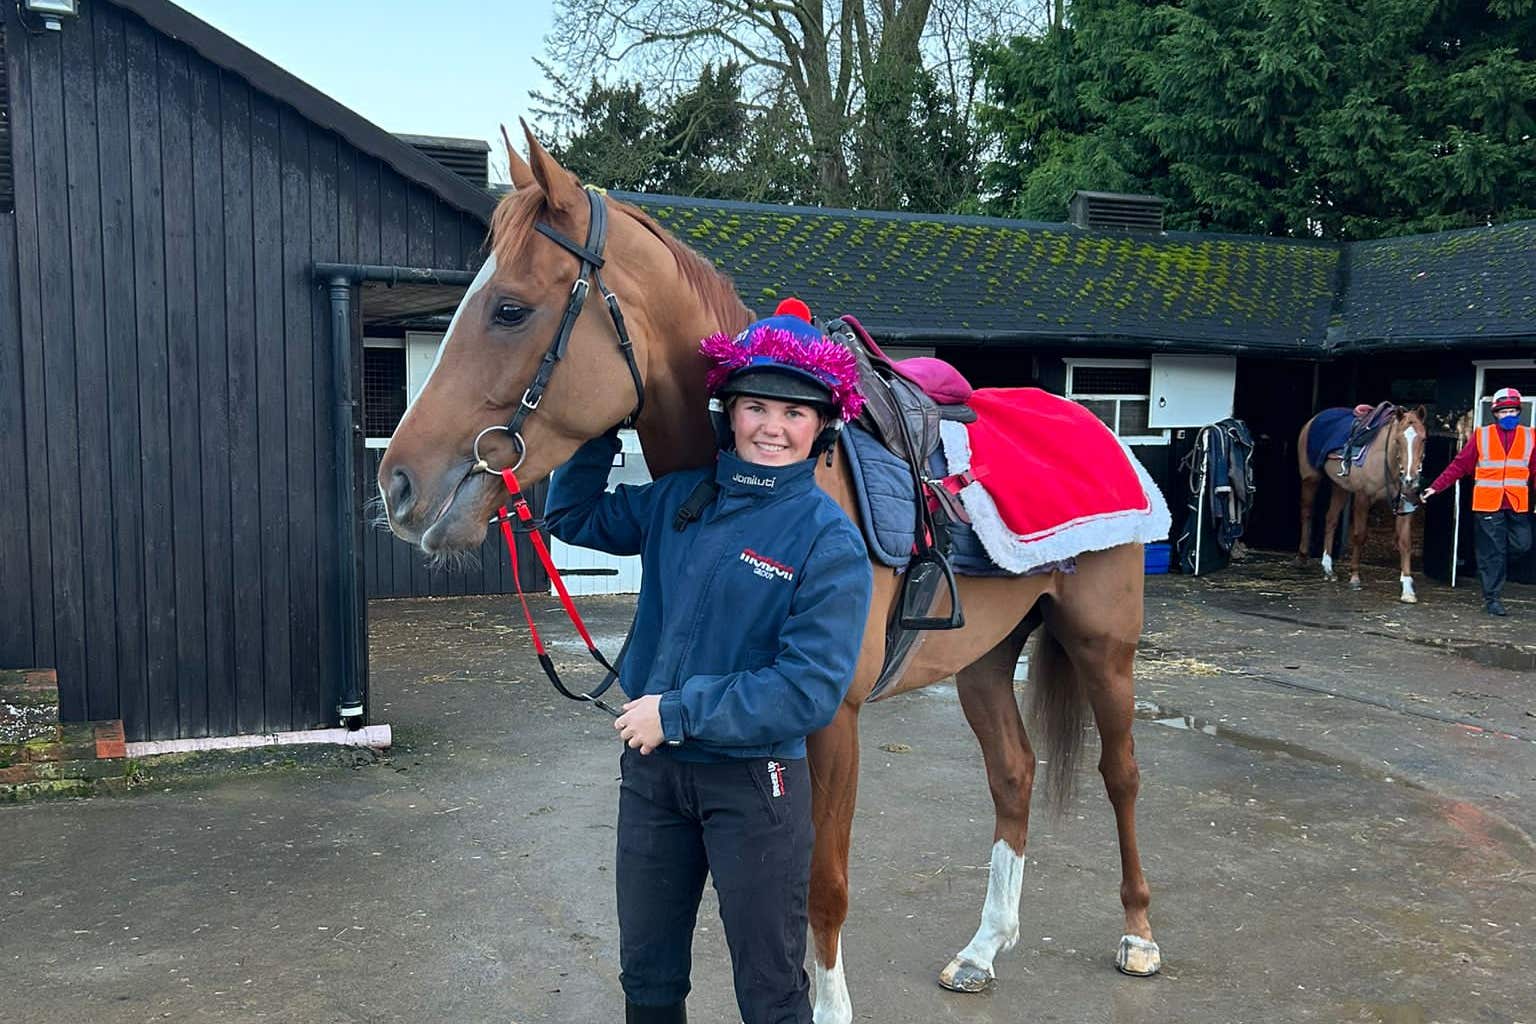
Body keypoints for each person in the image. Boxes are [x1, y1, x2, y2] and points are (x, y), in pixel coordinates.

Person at [544, 298, 874, 1024]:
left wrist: (678, 710)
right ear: (731, 413)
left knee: (770, 992)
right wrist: (601, 422)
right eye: (757, 407)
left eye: (794, 413)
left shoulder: (829, 542)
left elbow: (809, 691)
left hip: (755, 787)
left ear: (821, 426)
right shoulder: (678, 500)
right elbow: (570, 518)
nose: (773, 428)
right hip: (655, 780)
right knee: (649, 981)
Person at [1420, 387, 1535, 616]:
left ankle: (1494, 562)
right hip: (1487, 504)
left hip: (1517, 503)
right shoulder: (1481, 436)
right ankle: (1492, 599)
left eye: (1513, 411)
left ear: (1519, 412)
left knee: (1523, 544)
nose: (1509, 415)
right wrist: (1436, 486)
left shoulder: (1530, 436)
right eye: (1504, 412)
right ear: (1495, 414)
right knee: (1493, 553)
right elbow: (1460, 466)